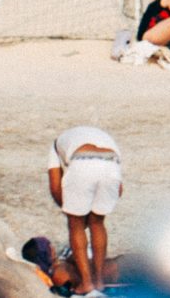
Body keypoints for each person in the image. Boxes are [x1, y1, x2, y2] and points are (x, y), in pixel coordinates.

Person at [46, 125, 118, 296]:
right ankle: (99, 281)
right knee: (98, 222)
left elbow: (55, 187)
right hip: (112, 160)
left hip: (81, 159)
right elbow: (119, 189)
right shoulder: (102, 137)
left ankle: (86, 284)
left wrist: (73, 213)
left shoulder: (55, 146)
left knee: (75, 225)